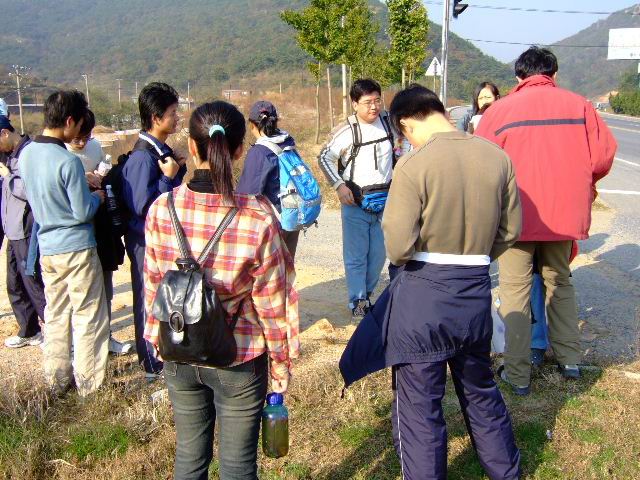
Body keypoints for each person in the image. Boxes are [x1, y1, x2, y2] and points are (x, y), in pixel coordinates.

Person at [340, 84, 522, 480]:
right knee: (480, 390)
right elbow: (510, 231)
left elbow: (398, 246)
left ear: (405, 123)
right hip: (474, 291)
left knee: (419, 406)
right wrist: (475, 255)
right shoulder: (497, 157)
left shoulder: (413, 164)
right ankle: (506, 472)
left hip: (423, 298)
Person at [144, 100, 299, 479]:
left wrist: (155, 341)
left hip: (179, 350)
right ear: (240, 150)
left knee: (188, 459)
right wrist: (281, 364)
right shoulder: (257, 216)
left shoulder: (162, 209)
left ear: (191, 146)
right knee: (237, 467)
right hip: (239, 358)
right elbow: (273, 305)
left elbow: (154, 288)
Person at [476, 46, 617, 394]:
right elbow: (602, 157)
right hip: (564, 215)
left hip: (516, 216)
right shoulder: (580, 105)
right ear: (553, 74)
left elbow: (482, 163)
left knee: (515, 290)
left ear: (519, 76)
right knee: (560, 283)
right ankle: (570, 361)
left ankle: (518, 374)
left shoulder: (500, 110)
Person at [19, 90, 109, 396]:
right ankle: (89, 387)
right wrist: (97, 197)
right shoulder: (67, 161)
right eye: (80, 123)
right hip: (77, 248)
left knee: (56, 314)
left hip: (47, 247)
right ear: (70, 121)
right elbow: (82, 211)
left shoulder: (27, 154)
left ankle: (56, 381)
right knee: (88, 316)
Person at [122, 82, 187, 380]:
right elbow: (143, 207)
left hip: (158, 241)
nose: (177, 118)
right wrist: (168, 178)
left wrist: (177, 171)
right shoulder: (141, 157)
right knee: (146, 300)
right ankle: (150, 363)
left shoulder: (160, 152)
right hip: (144, 242)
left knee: (162, 297)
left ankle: (163, 355)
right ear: (156, 117)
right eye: (173, 113)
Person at [318, 79, 397, 319]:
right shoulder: (346, 130)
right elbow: (324, 158)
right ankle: (358, 302)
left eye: (377, 100)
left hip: (386, 201)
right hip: (355, 203)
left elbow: (403, 148)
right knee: (356, 257)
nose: (374, 107)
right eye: (367, 102)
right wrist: (339, 186)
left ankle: (366, 295)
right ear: (354, 104)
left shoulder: (389, 122)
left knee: (378, 257)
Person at [67, 109, 131, 356]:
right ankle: (77, 345)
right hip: (77, 232)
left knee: (105, 286)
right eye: (78, 138)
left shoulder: (94, 148)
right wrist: (81, 179)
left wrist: (100, 178)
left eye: (87, 137)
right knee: (79, 293)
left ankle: (106, 337)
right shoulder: (61, 154)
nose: (82, 142)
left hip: (101, 226)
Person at [0, 114, 46, 348]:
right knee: (15, 283)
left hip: (27, 229)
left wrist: (7, 176)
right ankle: (29, 330)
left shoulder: (29, 153)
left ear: (4, 133)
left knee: (34, 283)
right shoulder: (9, 155)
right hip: (13, 230)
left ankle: (58, 335)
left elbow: (28, 190)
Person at [236, 100, 301, 259]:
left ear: (252, 125)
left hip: (273, 221)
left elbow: (247, 195)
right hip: (292, 214)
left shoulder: (259, 152)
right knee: (287, 265)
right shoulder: (288, 143)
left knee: (270, 269)